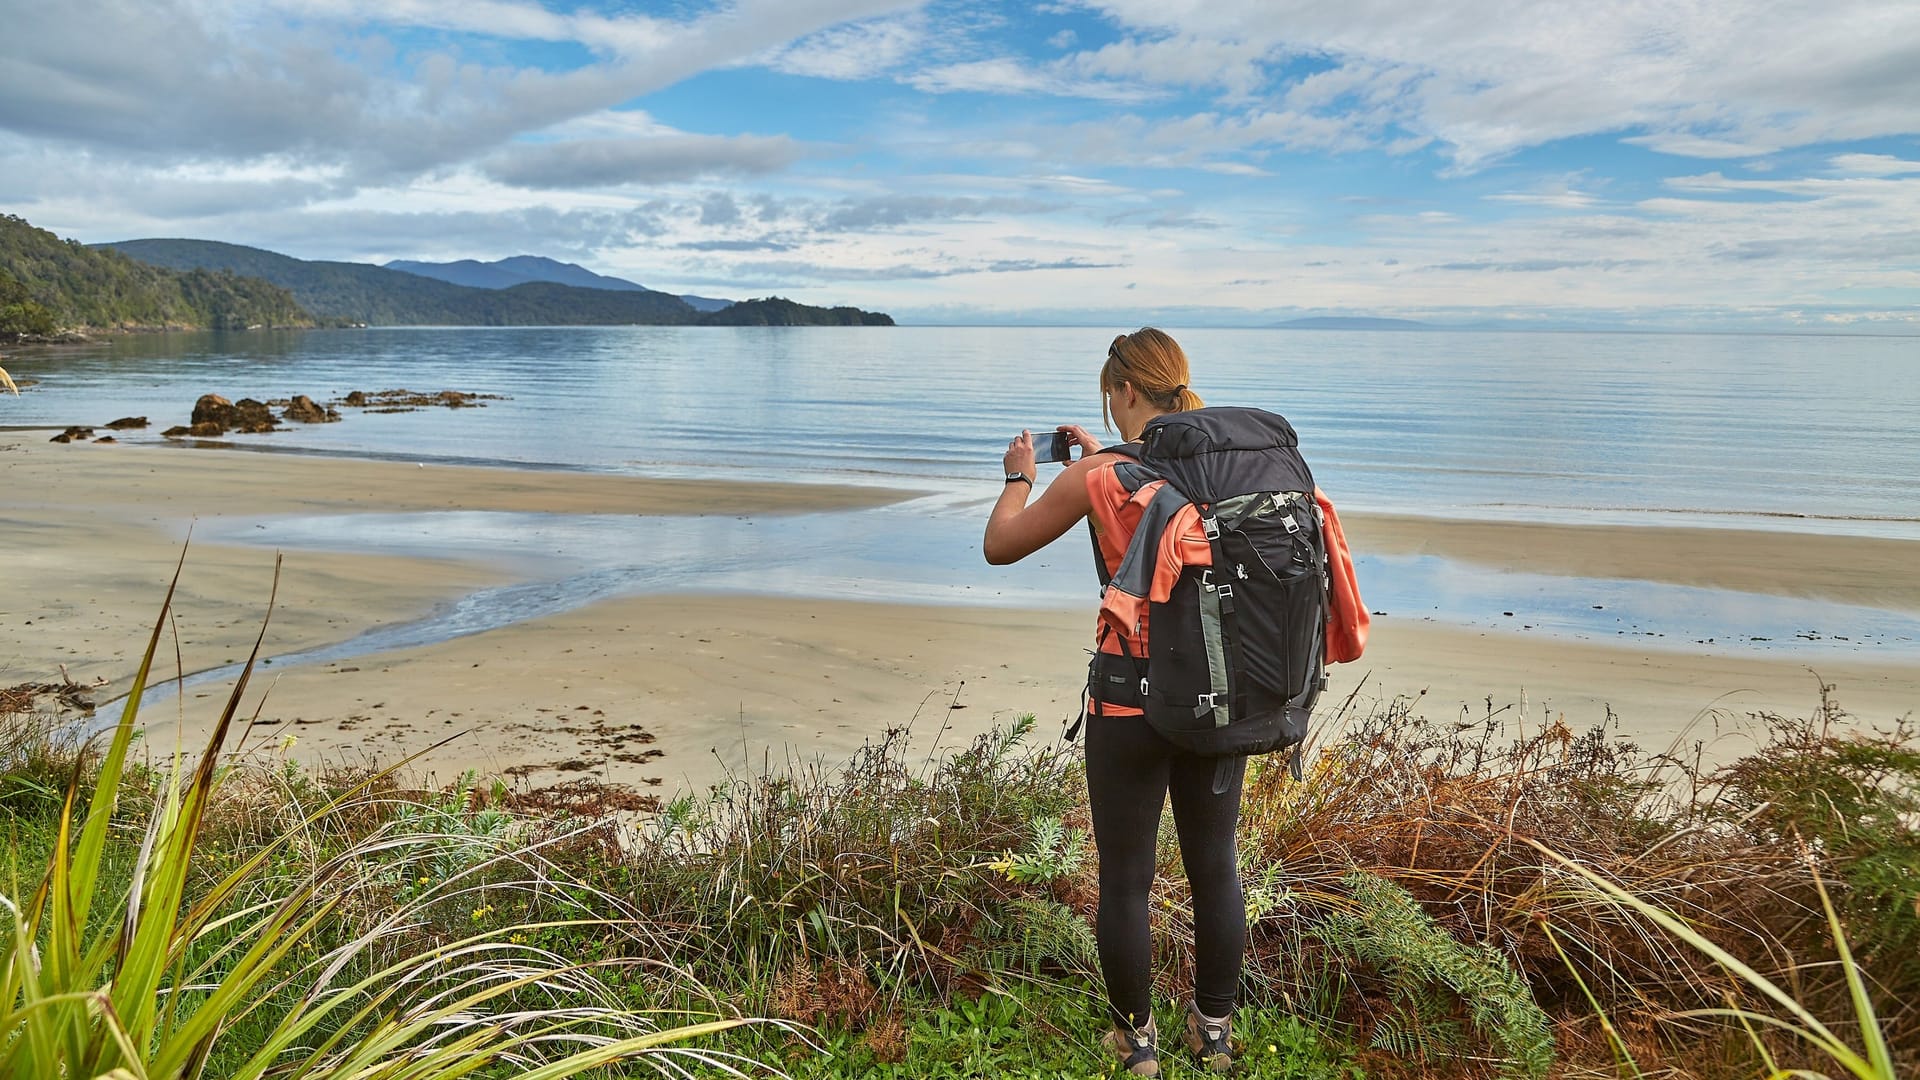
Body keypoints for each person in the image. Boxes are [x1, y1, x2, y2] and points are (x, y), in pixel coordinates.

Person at [982, 327, 1246, 1075]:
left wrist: (1019, 476)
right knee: (1216, 866)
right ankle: (1215, 1036)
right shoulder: (1226, 464)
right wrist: (1104, 449)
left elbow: (1001, 545)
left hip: (1131, 705)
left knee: (1127, 876)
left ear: (1124, 392)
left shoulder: (1099, 475)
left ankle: (1137, 1047)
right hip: (1221, 698)